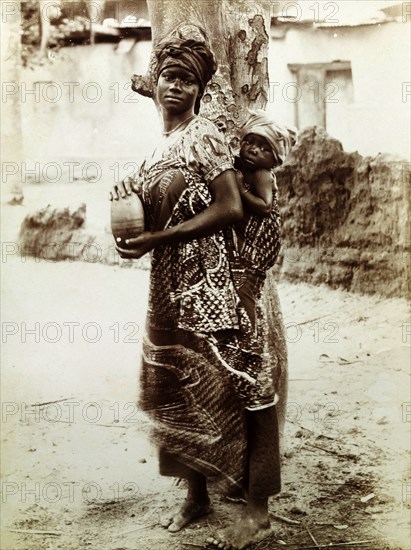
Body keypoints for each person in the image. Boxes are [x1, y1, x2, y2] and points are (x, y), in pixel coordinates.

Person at [111, 36, 282, 550]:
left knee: (246, 384)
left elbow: (231, 207)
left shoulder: (205, 136)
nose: (175, 85)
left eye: (187, 79)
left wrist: (157, 238)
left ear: (200, 89)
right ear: (157, 80)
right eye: (169, 76)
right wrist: (126, 214)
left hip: (215, 285)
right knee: (180, 388)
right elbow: (146, 217)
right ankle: (196, 495)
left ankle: (258, 509)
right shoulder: (158, 147)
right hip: (168, 287)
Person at [232, 110, 297, 329]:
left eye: (264, 148)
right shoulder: (242, 167)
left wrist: (240, 190)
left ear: (274, 159)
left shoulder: (262, 173)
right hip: (250, 237)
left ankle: (252, 333)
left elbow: (265, 206)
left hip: (261, 239)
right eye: (250, 142)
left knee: (245, 287)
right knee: (241, 284)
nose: (253, 149)